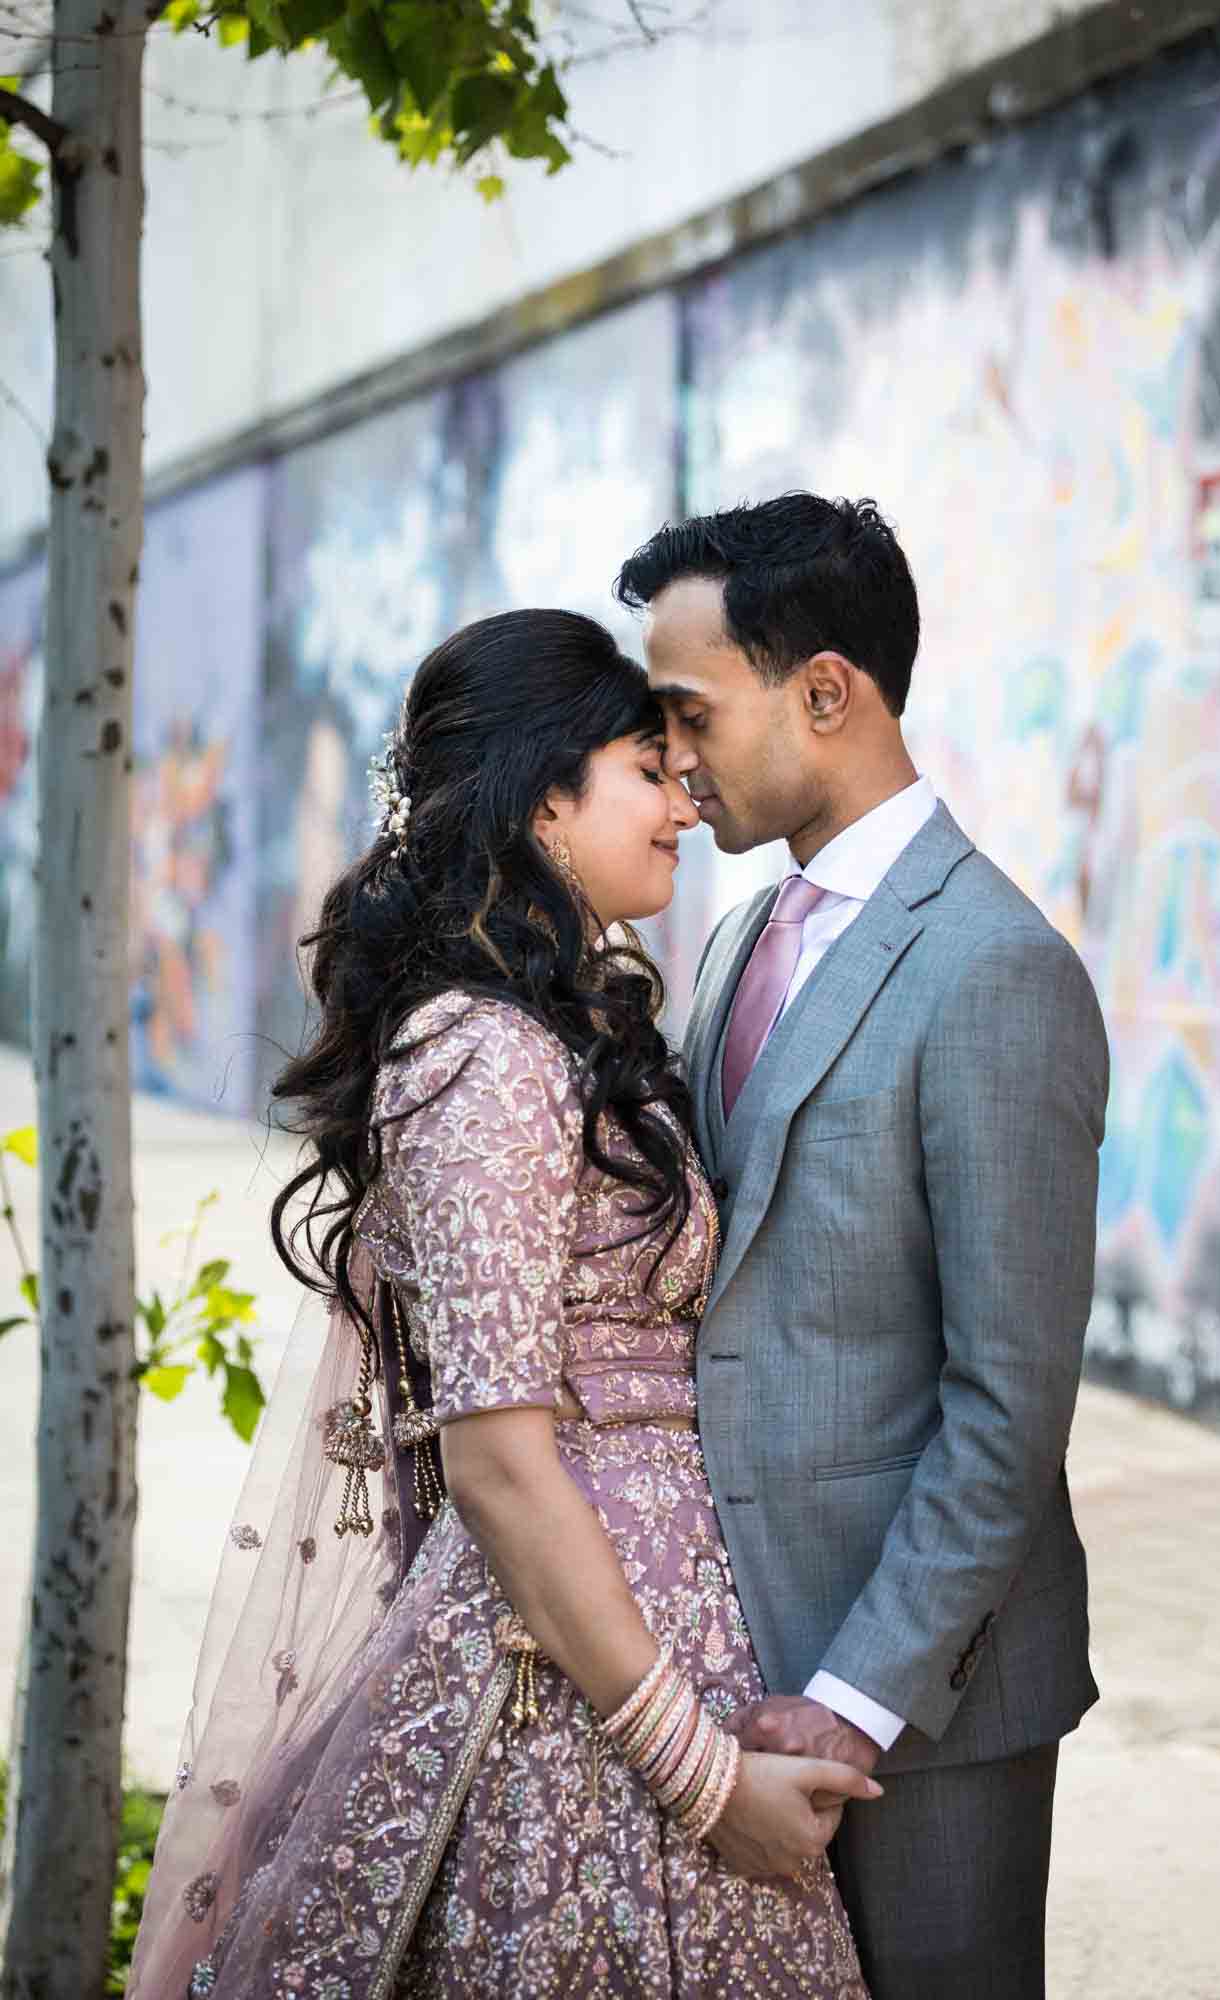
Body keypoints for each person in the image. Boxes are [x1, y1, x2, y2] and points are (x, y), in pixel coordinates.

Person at [127, 608, 876, 2000]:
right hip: (559, 1688)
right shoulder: (481, 1056)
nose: (680, 800)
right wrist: (700, 1781)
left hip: (655, 1625)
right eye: (645, 769)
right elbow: (496, 1457)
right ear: (545, 798)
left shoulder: (558, 1030)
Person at [616, 494, 1110, 2000]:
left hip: (921, 1701)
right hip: (729, 1662)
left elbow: (1007, 1401)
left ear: (823, 692)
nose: (669, 758)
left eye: (688, 712)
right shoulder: (736, 937)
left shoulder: (996, 972)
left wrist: (858, 1696)